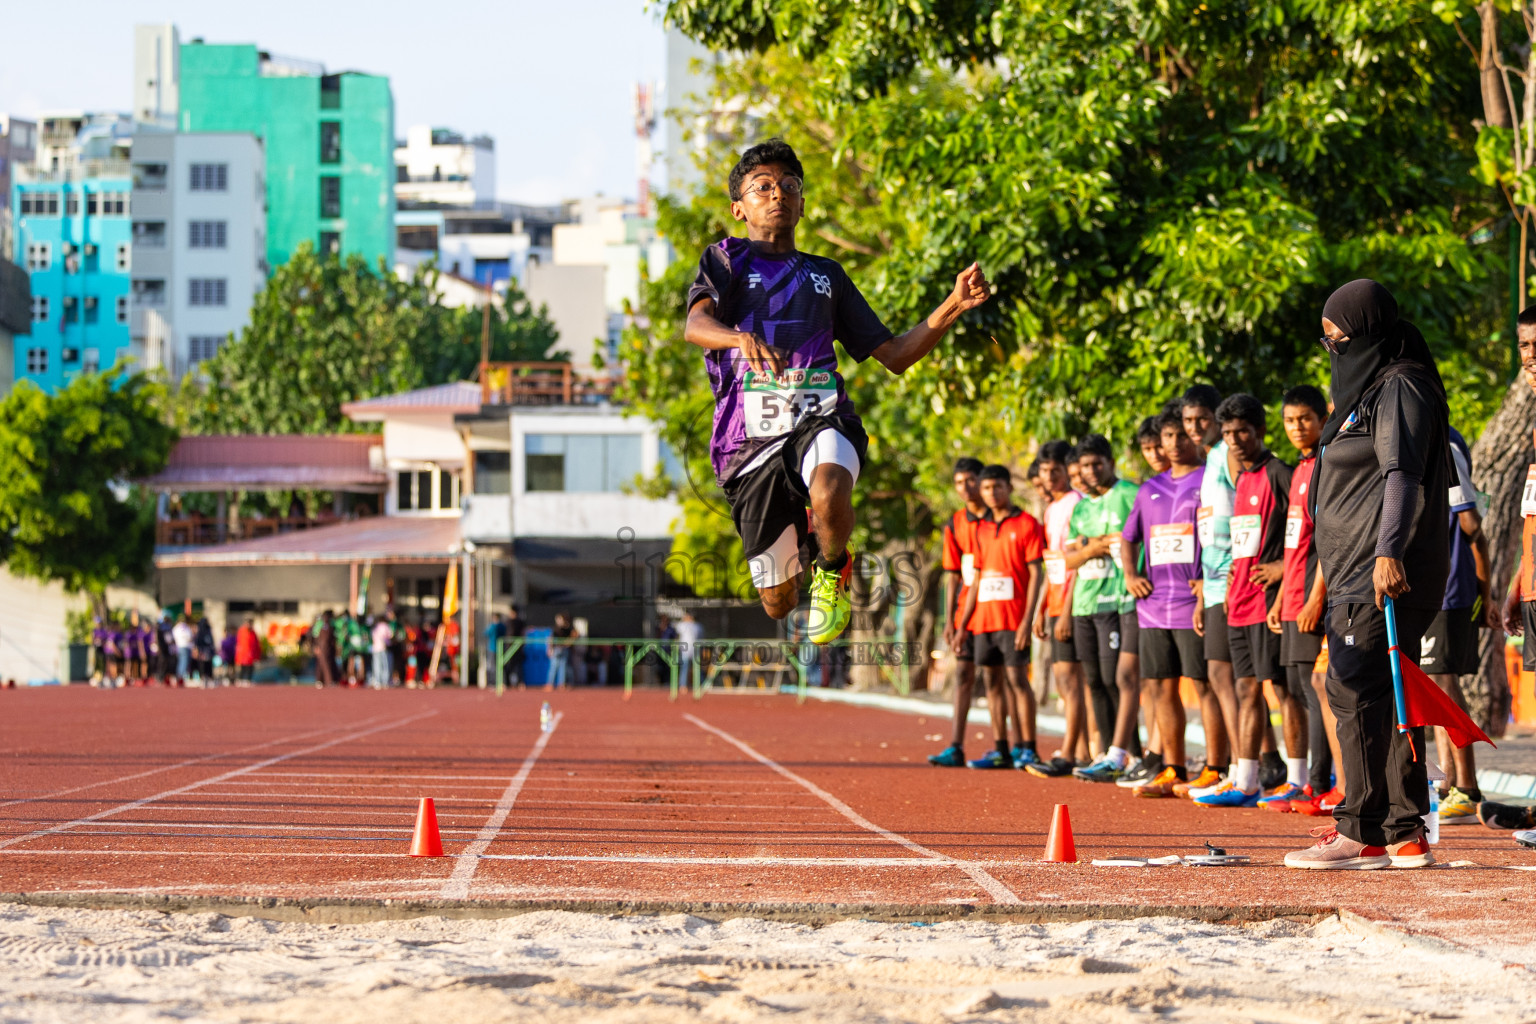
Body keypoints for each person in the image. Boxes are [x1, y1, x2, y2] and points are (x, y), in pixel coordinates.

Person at [684, 138, 991, 645]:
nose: (777, 193)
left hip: (820, 417)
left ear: (802, 203)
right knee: (778, 603)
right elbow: (695, 324)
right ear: (739, 207)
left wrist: (953, 305)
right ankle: (806, 541)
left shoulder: (827, 275)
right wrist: (739, 337)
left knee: (829, 485)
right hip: (748, 446)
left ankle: (833, 566)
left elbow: (894, 355)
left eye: (789, 186)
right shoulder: (726, 261)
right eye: (762, 187)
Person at [1285, 278, 1450, 870]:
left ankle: (1360, 832)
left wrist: (1388, 553)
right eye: (1326, 341)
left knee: (1352, 692)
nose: (1332, 350)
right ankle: (1405, 831)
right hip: (1354, 568)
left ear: (1370, 332)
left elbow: (1402, 476)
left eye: (1339, 339)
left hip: (1376, 571)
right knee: (1386, 695)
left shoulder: (1400, 387)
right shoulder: (1370, 387)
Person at [1195, 393, 1299, 808]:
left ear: (1260, 431)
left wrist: (1281, 570)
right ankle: (1245, 777)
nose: (1235, 440)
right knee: (1243, 687)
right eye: (1228, 433)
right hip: (1236, 598)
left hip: (1269, 600)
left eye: (1242, 431)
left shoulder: (1280, 474)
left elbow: (1306, 530)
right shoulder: (1242, 479)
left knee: (1279, 688)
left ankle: (1299, 777)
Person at [1266, 385, 1344, 816]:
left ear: (1322, 418)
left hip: (1317, 596)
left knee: (1318, 691)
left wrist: (1317, 596)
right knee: (1298, 687)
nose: (1297, 428)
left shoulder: (1328, 463)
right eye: (1290, 420)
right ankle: (1309, 782)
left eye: (1306, 419)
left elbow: (1327, 542)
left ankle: (1322, 782)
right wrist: (1281, 594)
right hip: (1292, 594)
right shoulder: (1300, 468)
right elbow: (1295, 542)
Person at [1120, 410, 1206, 797]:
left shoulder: (1210, 480)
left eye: (1179, 435)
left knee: (1205, 687)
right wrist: (1129, 574)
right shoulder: (1147, 489)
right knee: (1160, 688)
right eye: (1166, 436)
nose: (1173, 443)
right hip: (1153, 606)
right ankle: (1173, 767)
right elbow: (1128, 537)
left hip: (1194, 603)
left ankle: (1221, 766)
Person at [1420, 424, 1494, 825]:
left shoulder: (1443, 444)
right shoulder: (1414, 439)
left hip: (1450, 586)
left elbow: (1471, 524)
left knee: (1444, 682)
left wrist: (1487, 591)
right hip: (1429, 583)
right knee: (1431, 683)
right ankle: (1448, 785)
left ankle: (1467, 787)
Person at [955, 465, 1045, 769]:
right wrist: (962, 625)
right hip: (983, 621)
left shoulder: (1027, 524)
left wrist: (1027, 620)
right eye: (987, 488)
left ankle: (1029, 748)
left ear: (1009, 488)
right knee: (991, 683)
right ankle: (1001, 748)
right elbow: (976, 580)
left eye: (998, 487)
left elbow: (1036, 574)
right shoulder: (980, 529)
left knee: (1018, 680)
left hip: (1013, 619)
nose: (992, 493)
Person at [1065, 435, 1143, 782]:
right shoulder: (1081, 508)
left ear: (1111, 463)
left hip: (1118, 599)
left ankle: (1127, 753)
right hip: (1085, 602)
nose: (1092, 471)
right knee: (1094, 680)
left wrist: (1098, 546)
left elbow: (1134, 539)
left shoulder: (1129, 494)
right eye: (1086, 466)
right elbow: (1069, 558)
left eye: (1098, 464)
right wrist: (1092, 548)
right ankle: (1107, 752)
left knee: (1118, 679)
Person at [1181, 385, 1241, 799]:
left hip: (1237, 579)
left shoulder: (1228, 454)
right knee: (1219, 675)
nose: (1195, 427)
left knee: (1231, 677)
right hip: (1213, 583)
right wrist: (1203, 594)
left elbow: (1246, 511)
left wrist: (1239, 568)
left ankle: (1242, 768)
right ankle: (1233, 766)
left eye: (1202, 419)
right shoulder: (1207, 462)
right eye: (1188, 421)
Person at [1028, 442, 1092, 777]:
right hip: (1053, 601)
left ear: (1067, 470)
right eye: (1044, 471)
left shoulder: (1077, 504)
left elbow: (1078, 562)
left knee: (1072, 679)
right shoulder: (1052, 508)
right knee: (1065, 681)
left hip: (1075, 602)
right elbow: (1051, 562)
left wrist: (1066, 610)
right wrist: (1041, 608)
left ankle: (1070, 752)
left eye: (1055, 470)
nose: (1050, 476)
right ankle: (1080, 750)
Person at [930, 458, 989, 767]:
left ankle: (1010, 746)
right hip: (966, 609)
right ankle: (956, 745)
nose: (965, 488)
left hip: (996, 608)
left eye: (970, 480)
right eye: (958, 482)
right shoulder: (955, 522)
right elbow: (952, 574)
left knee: (999, 679)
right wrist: (949, 618)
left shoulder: (998, 517)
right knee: (963, 674)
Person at [676, 610, 705, 691]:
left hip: (693, 650)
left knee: (696, 668)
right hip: (686, 650)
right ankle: (684, 685)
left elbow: (701, 638)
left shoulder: (696, 626)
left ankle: (700, 684)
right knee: (685, 668)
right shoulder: (684, 625)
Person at [313, 610, 339, 688]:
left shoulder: (332, 625)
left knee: (328, 663)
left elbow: (334, 637)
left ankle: (327, 681)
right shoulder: (319, 624)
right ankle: (324, 681)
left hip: (329, 648)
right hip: (322, 647)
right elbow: (315, 636)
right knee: (323, 663)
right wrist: (316, 646)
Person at [549, 613, 575, 688]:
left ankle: (562, 684)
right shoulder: (555, 629)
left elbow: (574, 634)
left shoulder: (567, 629)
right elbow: (551, 639)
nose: (558, 621)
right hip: (556, 649)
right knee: (553, 667)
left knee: (563, 668)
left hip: (564, 650)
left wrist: (568, 642)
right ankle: (550, 684)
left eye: (560, 619)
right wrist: (550, 649)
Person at [505, 605, 528, 688]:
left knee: (518, 666)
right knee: (507, 665)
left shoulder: (520, 622)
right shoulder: (507, 621)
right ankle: (506, 683)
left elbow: (523, 633)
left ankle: (520, 682)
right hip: (509, 646)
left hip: (517, 646)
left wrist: (522, 644)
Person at [234, 618, 262, 683]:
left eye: (251, 624)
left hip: (251, 654)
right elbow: (239, 642)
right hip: (243, 653)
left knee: (250, 667)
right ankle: (240, 679)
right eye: (248, 623)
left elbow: (256, 644)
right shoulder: (242, 631)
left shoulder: (253, 633)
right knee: (243, 667)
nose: (249, 625)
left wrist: (257, 654)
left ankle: (248, 679)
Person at [370, 613, 394, 689]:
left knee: (376, 665)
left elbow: (372, 637)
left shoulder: (375, 627)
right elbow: (390, 635)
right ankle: (385, 682)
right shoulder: (385, 626)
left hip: (375, 648)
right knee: (385, 665)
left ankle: (377, 681)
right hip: (383, 648)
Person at [171, 614, 194, 683]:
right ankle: (181, 676)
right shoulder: (186, 627)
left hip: (179, 646)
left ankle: (179, 675)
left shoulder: (176, 628)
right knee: (184, 661)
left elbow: (173, 637)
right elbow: (190, 637)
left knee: (180, 661)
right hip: (185, 646)